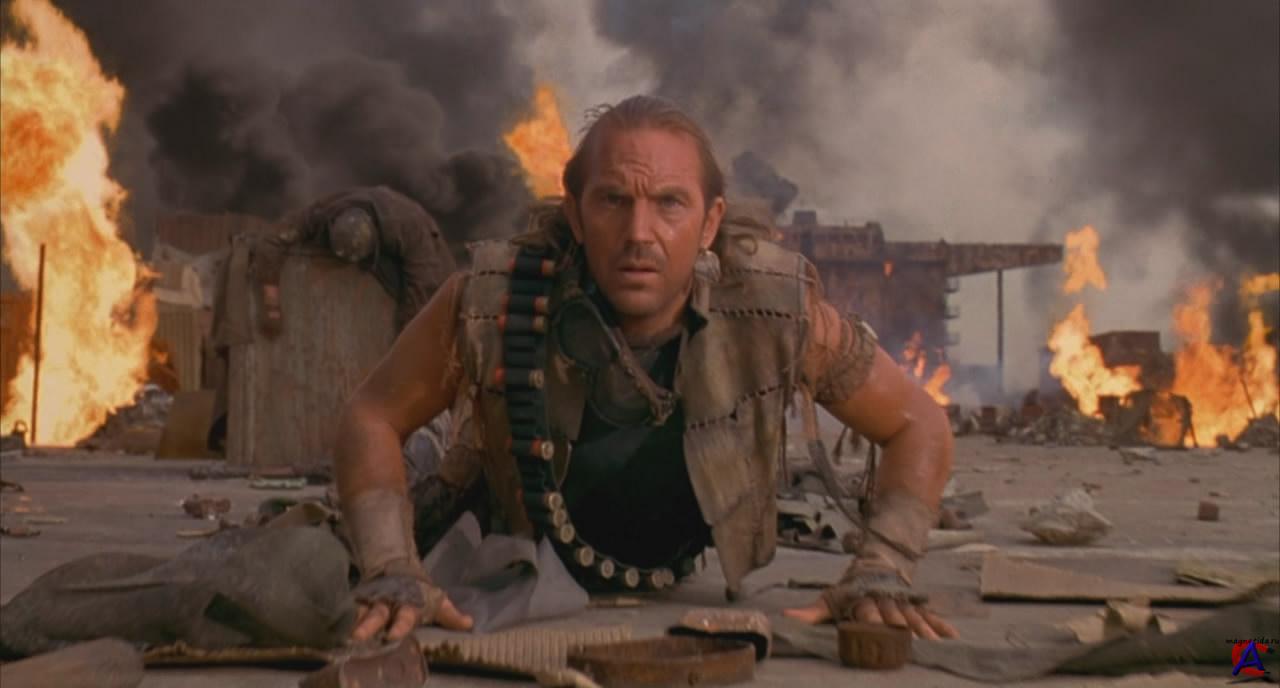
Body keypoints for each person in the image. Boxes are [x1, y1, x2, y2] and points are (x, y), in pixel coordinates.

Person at [334, 95, 957, 644]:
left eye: (669, 204)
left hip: (681, 592)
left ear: (710, 222)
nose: (639, 233)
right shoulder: (492, 300)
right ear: (576, 213)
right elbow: (372, 414)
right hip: (511, 572)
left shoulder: (771, 309)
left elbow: (918, 425)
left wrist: (883, 566)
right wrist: (391, 567)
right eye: (613, 201)